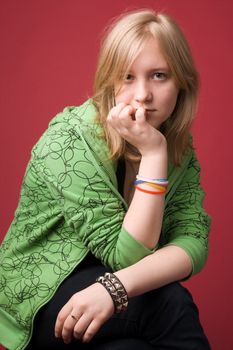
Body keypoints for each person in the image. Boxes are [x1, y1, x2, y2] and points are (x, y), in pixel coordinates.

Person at [0, 8, 211, 350]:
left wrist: (111, 288)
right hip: (42, 296)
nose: (142, 94)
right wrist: (153, 155)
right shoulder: (68, 142)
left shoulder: (179, 151)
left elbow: (193, 243)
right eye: (128, 77)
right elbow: (126, 257)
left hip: (107, 297)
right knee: (170, 304)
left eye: (158, 75)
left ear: (182, 82)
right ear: (109, 81)